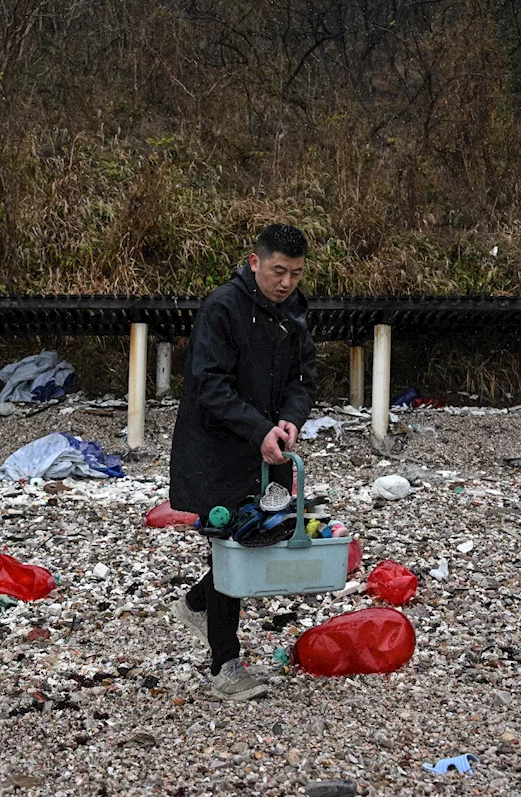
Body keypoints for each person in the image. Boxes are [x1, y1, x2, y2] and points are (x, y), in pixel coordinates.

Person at [168, 223, 317, 701]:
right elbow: (209, 384)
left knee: (260, 537)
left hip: (269, 448)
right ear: (254, 263)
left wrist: (291, 421)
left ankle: (196, 604)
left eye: (295, 273)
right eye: (278, 271)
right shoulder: (222, 307)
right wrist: (260, 431)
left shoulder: (294, 310)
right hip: (216, 448)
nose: (286, 283)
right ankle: (224, 667)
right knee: (230, 545)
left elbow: (304, 377)